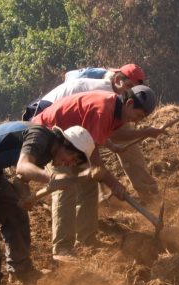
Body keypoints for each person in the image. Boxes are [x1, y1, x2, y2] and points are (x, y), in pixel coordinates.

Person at [0, 122, 95, 285]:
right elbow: (22, 166)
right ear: (65, 143)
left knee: (16, 215)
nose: (69, 164)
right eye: (72, 158)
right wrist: (52, 177)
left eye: (74, 163)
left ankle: (21, 271)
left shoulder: (46, 153)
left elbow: (20, 179)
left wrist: (24, 197)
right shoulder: (40, 136)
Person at [32, 86, 162, 258]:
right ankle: (62, 248)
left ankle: (86, 238)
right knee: (65, 183)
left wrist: (146, 132)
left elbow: (113, 134)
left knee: (89, 183)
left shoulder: (117, 109)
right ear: (129, 103)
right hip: (50, 137)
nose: (137, 121)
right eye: (138, 116)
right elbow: (95, 164)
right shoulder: (103, 109)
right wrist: (114, 185)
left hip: (73, 142)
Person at [23, 63, 159, 200]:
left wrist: (142, 133)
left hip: (70, 126)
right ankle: (104, 197)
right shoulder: (105, 103)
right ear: (118, 80)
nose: (136, 121)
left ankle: (103, 199)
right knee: (68, 177)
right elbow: (93, 153)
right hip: (47, 121)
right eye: (129, 86)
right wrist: (113, 184)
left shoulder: (119, 104)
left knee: (86, 176)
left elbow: (109, 132)